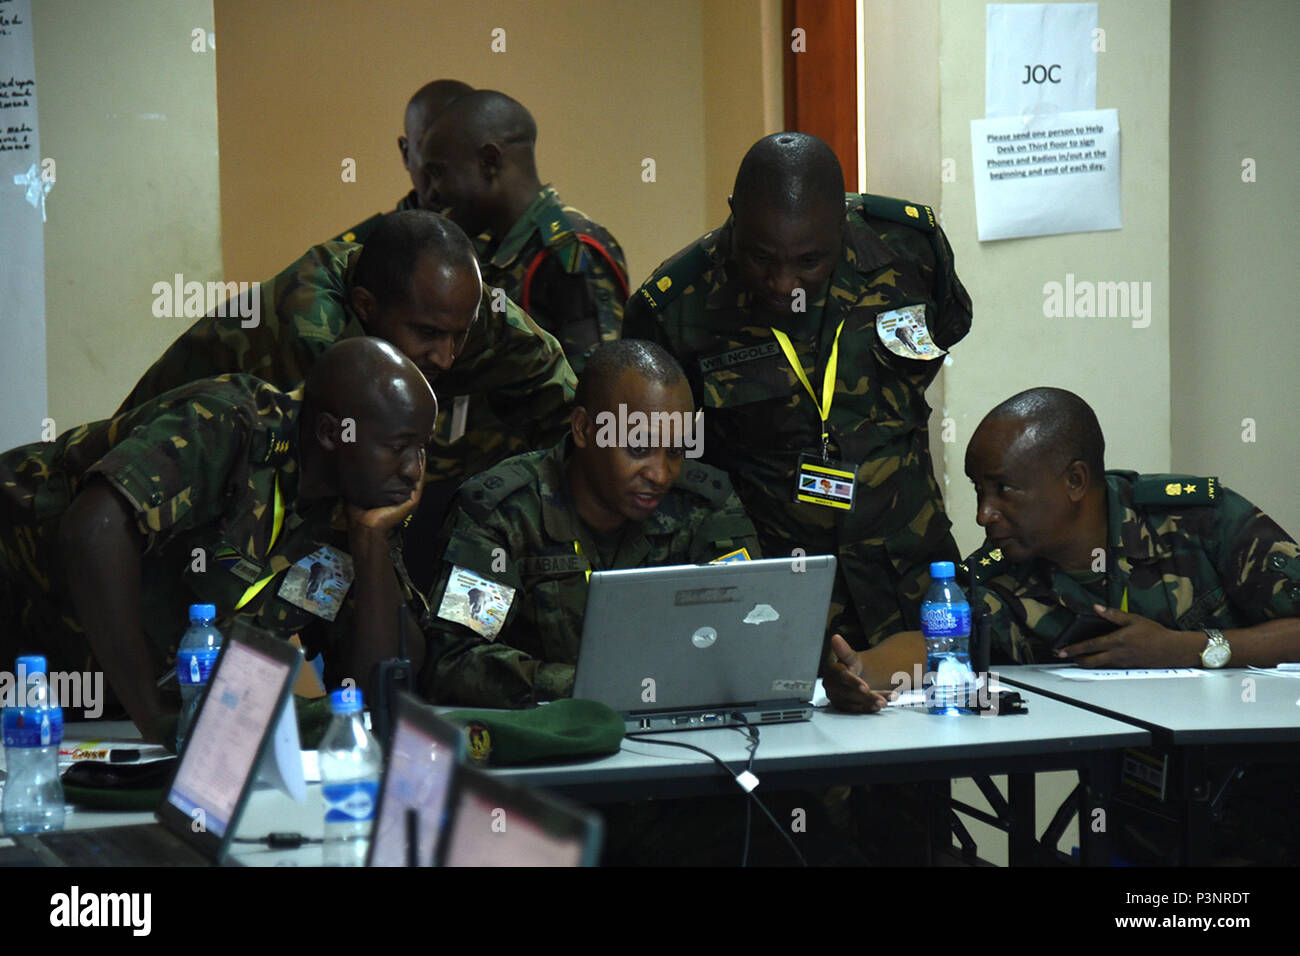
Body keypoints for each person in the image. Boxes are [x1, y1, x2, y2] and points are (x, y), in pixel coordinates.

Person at [623, 132, 972, 668]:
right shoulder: (675, 305)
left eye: (810, 260)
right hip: (773, 598)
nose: (783, 282)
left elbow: (947, 328)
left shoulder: (910, 250)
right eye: (761, 257)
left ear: (844, 221)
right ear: (735, 215)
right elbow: (670, 469)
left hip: (911, 575)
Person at [0, 338, 437, 742]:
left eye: (421, 448)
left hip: (70, 689)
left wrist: (370, 541)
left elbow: (380, 683)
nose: (414, 471)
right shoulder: (228, 424)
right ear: (330, 433)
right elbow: (92, 532)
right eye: (399, 446)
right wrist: (151, 716)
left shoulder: (356, 507)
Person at [420, 339, 760, 708]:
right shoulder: (506, 514)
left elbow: (754, 630)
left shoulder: (704, 503)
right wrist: (592, 686)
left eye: (676, 451)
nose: (661, 474)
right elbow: (454, 661)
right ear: (583, 428)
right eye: (638, 448)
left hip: (688, 730)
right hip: (551, 739)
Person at [418, 89, 629, 374]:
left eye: (439, 173)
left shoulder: (567, 250)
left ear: (489, 162)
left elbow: (596, 391)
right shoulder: (492, 250)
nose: (431, 193)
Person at [333, 79, 475, 245]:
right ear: (406, 153)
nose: (447, 164)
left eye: (460, 147)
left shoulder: (506, 242)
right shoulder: (356, 253)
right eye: (431, 148)